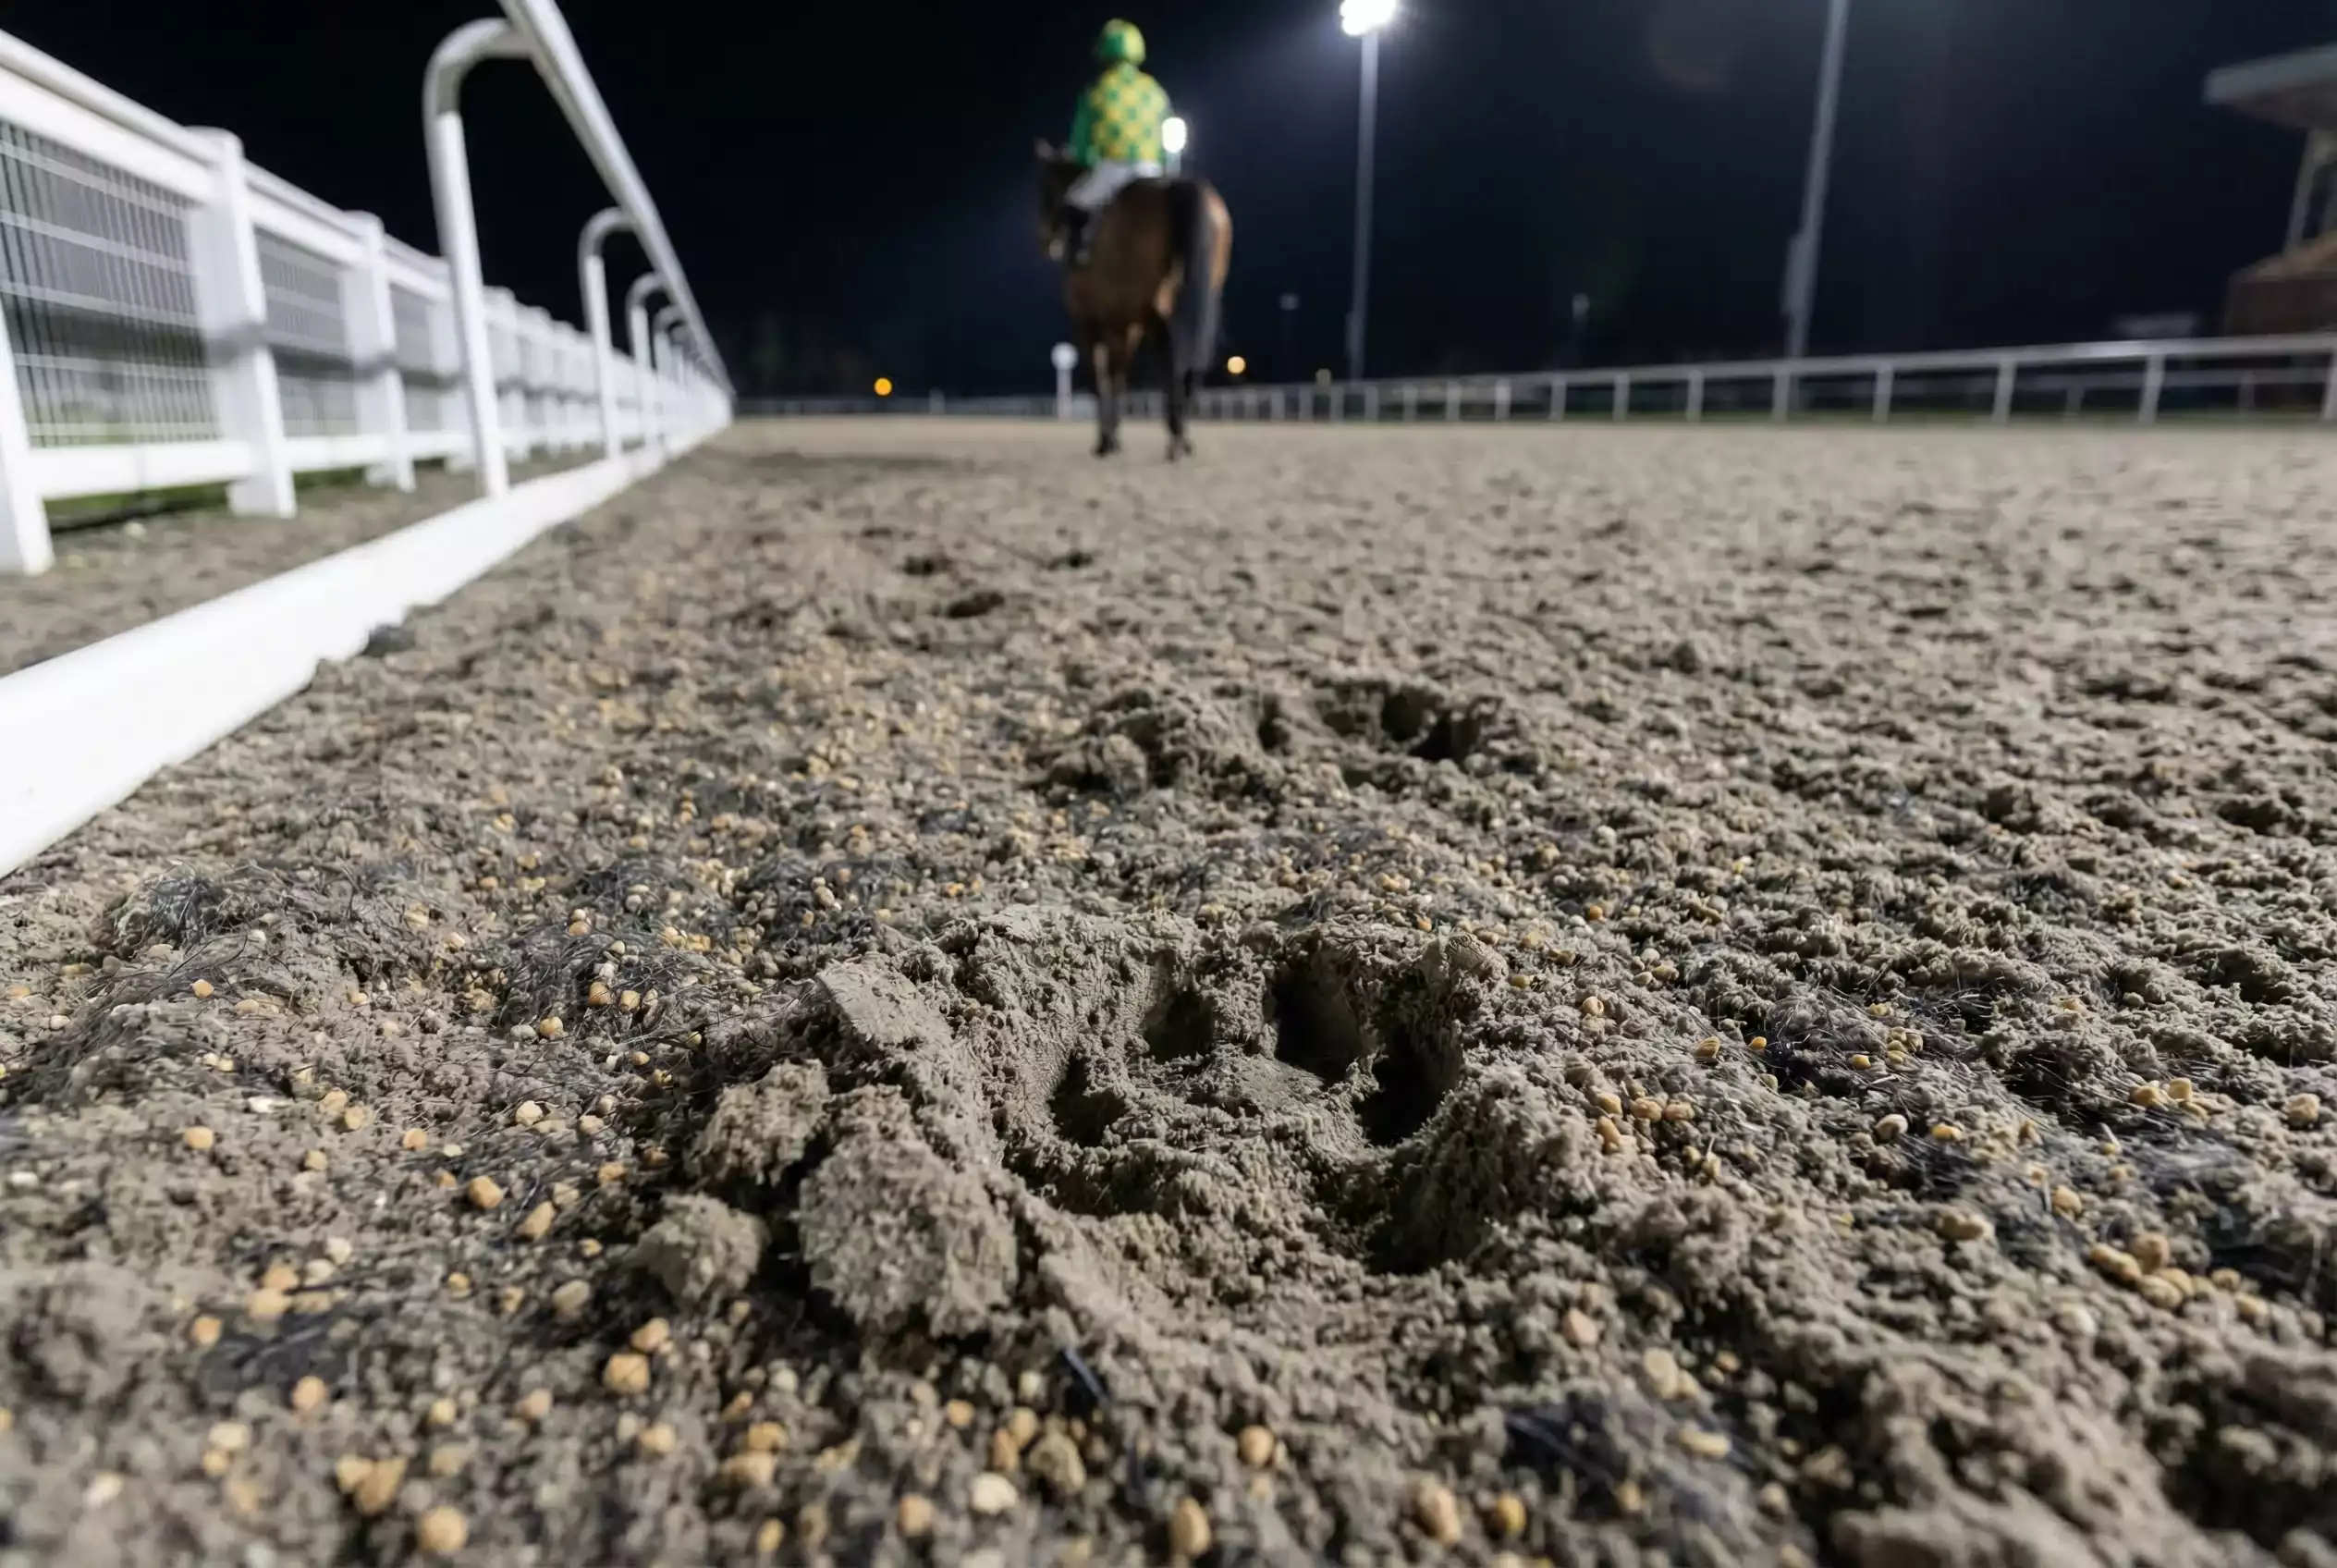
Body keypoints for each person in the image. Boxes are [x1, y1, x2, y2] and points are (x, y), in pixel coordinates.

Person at [1061, 18, 1172, 266]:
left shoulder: (1097, 91)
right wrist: (1168, 171)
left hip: (1114, 170)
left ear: (1103, 52)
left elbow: (1080, 147)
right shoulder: (1155, 91)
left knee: (1073, 203)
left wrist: (1086, 160)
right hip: (1152, 170)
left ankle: (1077, 259)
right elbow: (1170, 137)